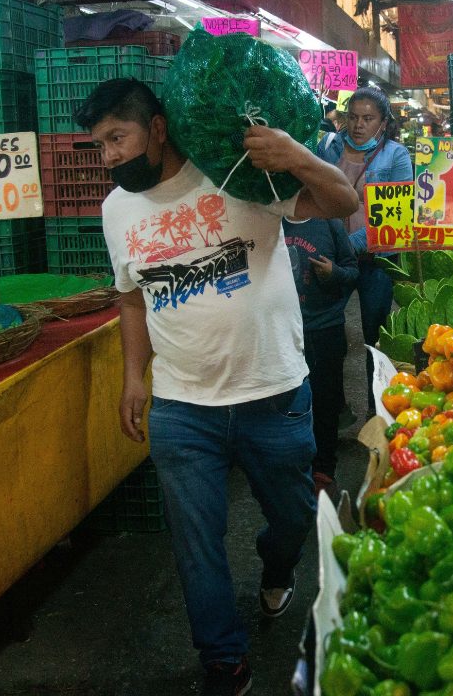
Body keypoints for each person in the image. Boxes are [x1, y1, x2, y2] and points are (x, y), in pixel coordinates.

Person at [75, 78, 357, 696]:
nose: (108, 157)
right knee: (195, 543)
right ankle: (223, 661)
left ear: (156, 128)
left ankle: (276, 567)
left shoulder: (236, 174)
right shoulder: (115, 211)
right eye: (98, 146)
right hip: (182, 407)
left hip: (274, 392)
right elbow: (129, 299)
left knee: (292, 518)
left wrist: (296, 156)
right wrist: (133, 377)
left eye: (116, 138)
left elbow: (343, 203)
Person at [316, 87, 413, 351]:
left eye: (368, 119)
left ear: (383, 123)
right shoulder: (327, 146)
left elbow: (397, 214)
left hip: (376, 262)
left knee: (376, 339)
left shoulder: (396, 155)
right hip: (333, 258)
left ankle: (378, 393)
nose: (359, 125)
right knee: (325, 331)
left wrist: (350, 244)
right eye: (354, 117)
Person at [283, 212, 358, 495]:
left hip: (326, 329)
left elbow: (352, 270)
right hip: (284, 332)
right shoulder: (271, 219)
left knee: (326, 404)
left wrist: (333, 273)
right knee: (289, 402)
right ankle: (295, 471)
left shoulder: (330, 222)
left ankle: (323, 472)